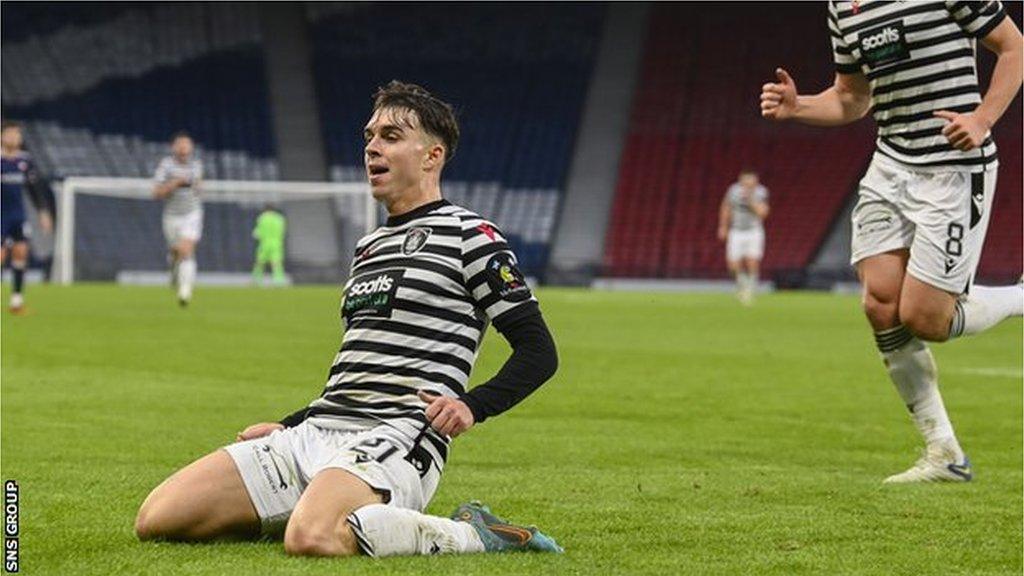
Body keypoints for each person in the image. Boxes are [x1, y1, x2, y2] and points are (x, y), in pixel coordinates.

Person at [135, 80, 563, 557]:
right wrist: (288, 423)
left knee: (311, 539)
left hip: (398, 433)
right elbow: (359, 366)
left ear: (432, 155)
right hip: (317, 431)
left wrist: (472, 404)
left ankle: (472, 533)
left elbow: (539, 351)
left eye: (391, 136)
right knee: (158, 519)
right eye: (369, 137)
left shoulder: (472, 236)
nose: (373, 148)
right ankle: (334, 509)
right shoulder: (368, 247)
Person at [761, 1, 1022, 482]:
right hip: (891, 167)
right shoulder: (842, 7)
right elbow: (851, 97)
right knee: (881, 304)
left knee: (926, 320)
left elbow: (1014, 47)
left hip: (953, 170)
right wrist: (800, 107)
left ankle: (1020, 295)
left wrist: (982, 119)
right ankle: (943, 452)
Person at [1, 121, 53, 314]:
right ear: (2, 136)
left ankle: (16, 302)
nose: (15, 138)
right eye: (10, 134)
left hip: (17, 215)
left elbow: (34, 188)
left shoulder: (25, 160)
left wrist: (43, 211)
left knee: (21, 253)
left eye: (17, 134)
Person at [153, 131, 203, 307]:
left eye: (186, 144)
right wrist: (174, 183)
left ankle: (185, 292)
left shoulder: (196, 165)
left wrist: (197, 185)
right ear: (174, 147)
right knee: (176, 252)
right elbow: (156, 193)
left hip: (191, 213)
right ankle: (174, 271)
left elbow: (198, 187)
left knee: (186, 249)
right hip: (172, 216)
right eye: (180, 144)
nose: (183, 148)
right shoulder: (165, 166)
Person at [718, 169, 770, 305]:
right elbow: (726, 207)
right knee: (732, 265)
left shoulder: (761, 192)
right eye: (745, 181)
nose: (747, 184)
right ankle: (742, 285)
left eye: (750, 181)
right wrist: (723, 226)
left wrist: (750, 198)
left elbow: (763, 213)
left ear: (756, 181)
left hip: (754, 231)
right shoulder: (733, 191)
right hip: (736, 230)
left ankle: (750, 289)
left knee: (752, 261)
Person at [252, 204, 287, 285]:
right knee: (277, 263)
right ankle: (279, 281)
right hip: (277, 243)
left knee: (260, 262)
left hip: (265, 243)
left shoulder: (262, 218)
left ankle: (256, 280)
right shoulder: (279, 218)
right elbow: (282, 231)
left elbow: (257, 233)